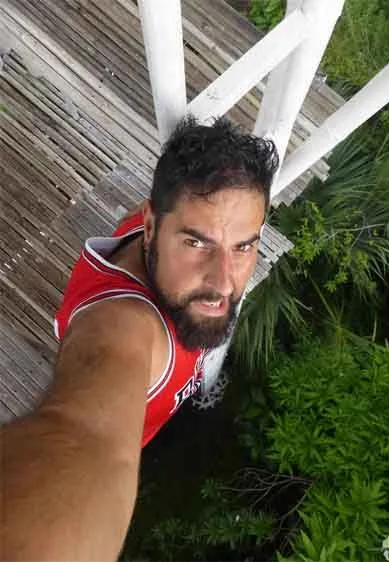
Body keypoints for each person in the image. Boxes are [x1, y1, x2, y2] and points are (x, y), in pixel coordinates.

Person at [0, 116, 278, 560]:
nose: (224, 282)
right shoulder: (122, 326)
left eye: (244, 246)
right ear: (149, 227)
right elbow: (82, 434)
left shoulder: (159, 229)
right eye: (197, 243)